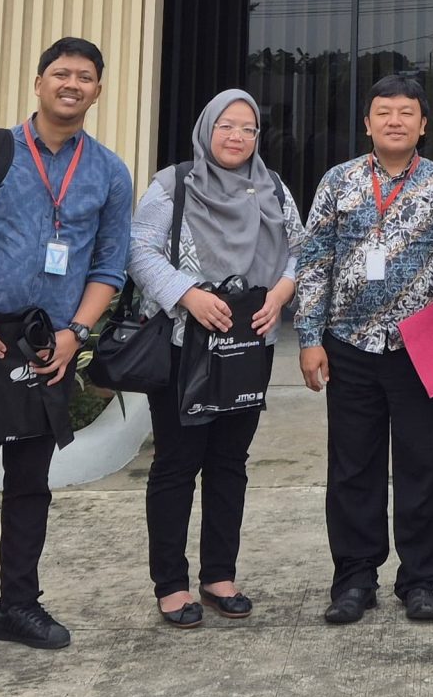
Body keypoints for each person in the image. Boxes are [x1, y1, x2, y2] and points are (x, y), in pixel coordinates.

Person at [0, 37, 135, 675]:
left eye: (85, 77)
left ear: (98, 91)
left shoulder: (109, 172)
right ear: (39, 83)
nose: (72, 84)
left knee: (30, 485)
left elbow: (109, 265)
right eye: (61, 73)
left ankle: (17, 604)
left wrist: (75, 334)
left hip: (48, 347)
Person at [294, 72, 433, 625]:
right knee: (353, 468)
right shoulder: (338, 182)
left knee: (423, 466)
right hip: (349, 345)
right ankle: (354, 579)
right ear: (367, 123)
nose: (394, 121)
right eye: (384, 112)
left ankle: (419, 580)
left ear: (423, 124)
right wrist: (309, 338)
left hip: (423, 349)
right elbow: (314, 262)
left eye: (406, 112)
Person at [129, 87, 304, 627]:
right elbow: (139, 249)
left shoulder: (272, 187)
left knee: (230, 462)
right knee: (177, 463)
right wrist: (188, 295)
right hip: (185, 346)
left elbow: (301, 249)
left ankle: (219, 576)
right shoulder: (173, 184)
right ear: (207, 129)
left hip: (248, 348)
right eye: (227, 125)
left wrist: (280, 294)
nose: (237, 137)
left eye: (248, 129)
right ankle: (170, 583)